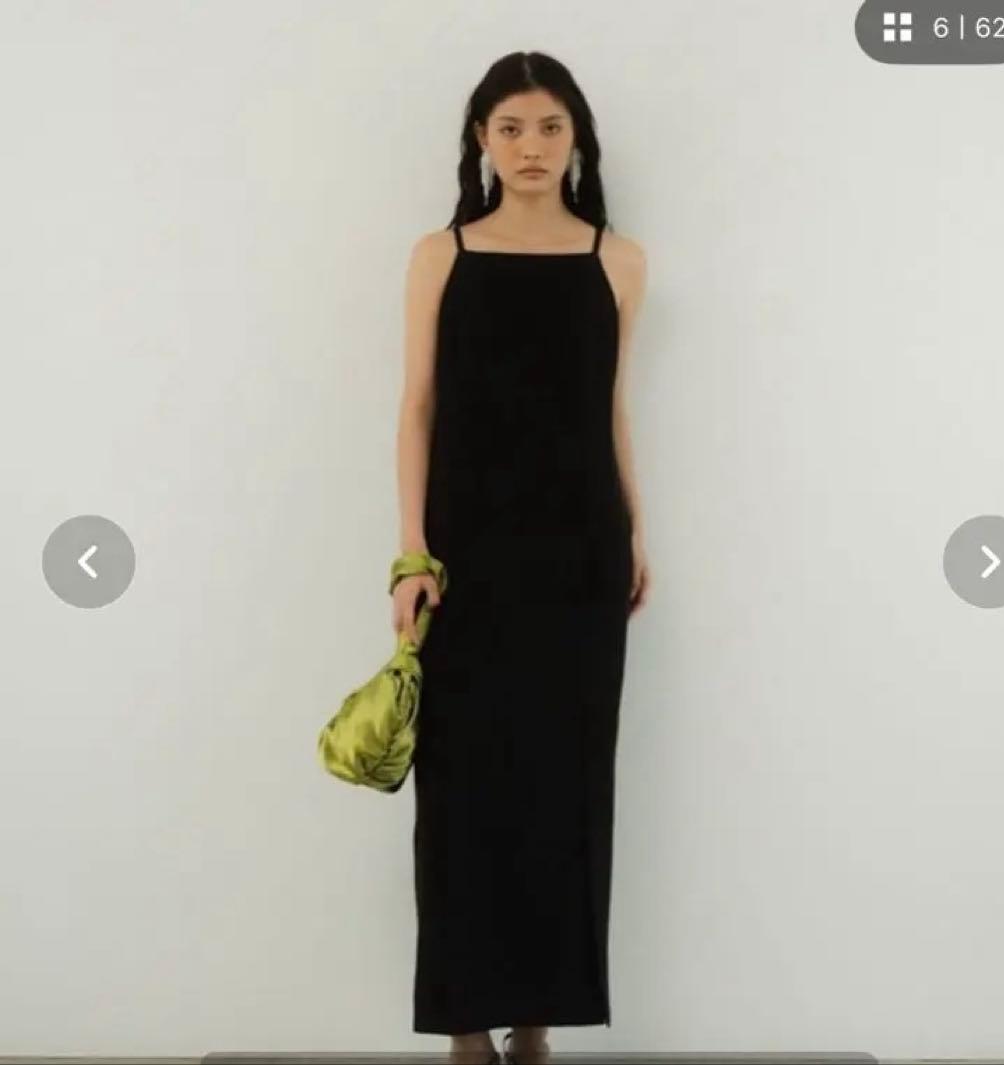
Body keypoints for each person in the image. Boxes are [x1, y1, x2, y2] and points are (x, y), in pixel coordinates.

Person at [392, 50, 650, 1065]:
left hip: (580, 554)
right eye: (511, 128)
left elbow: (610, 407)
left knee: (566, 788)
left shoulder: (619, 260)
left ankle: (537, 1025)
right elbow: (417, 409)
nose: (531, 147)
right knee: (460, 791)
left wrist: (637, 529)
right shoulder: (441, 254)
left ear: (576, 138)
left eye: (550, 127)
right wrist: (411, 553)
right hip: (466, 556)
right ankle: (467, 1028)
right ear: (481, 141)